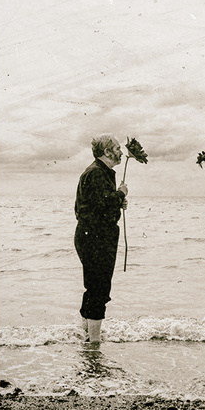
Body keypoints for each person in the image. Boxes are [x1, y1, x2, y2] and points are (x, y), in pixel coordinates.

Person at [74, 135, 128, 343]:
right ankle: (94, 341)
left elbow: (93, 205)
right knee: (99, 287)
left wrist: (117, 202)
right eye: (117, 148)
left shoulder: (98, 171)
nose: (121, 152)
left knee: (94, 286)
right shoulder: (96, 172)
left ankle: (87, 334)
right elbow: (102, 204)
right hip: (96, 237)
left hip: (92, 235)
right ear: (107, 152)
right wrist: (120, 195)